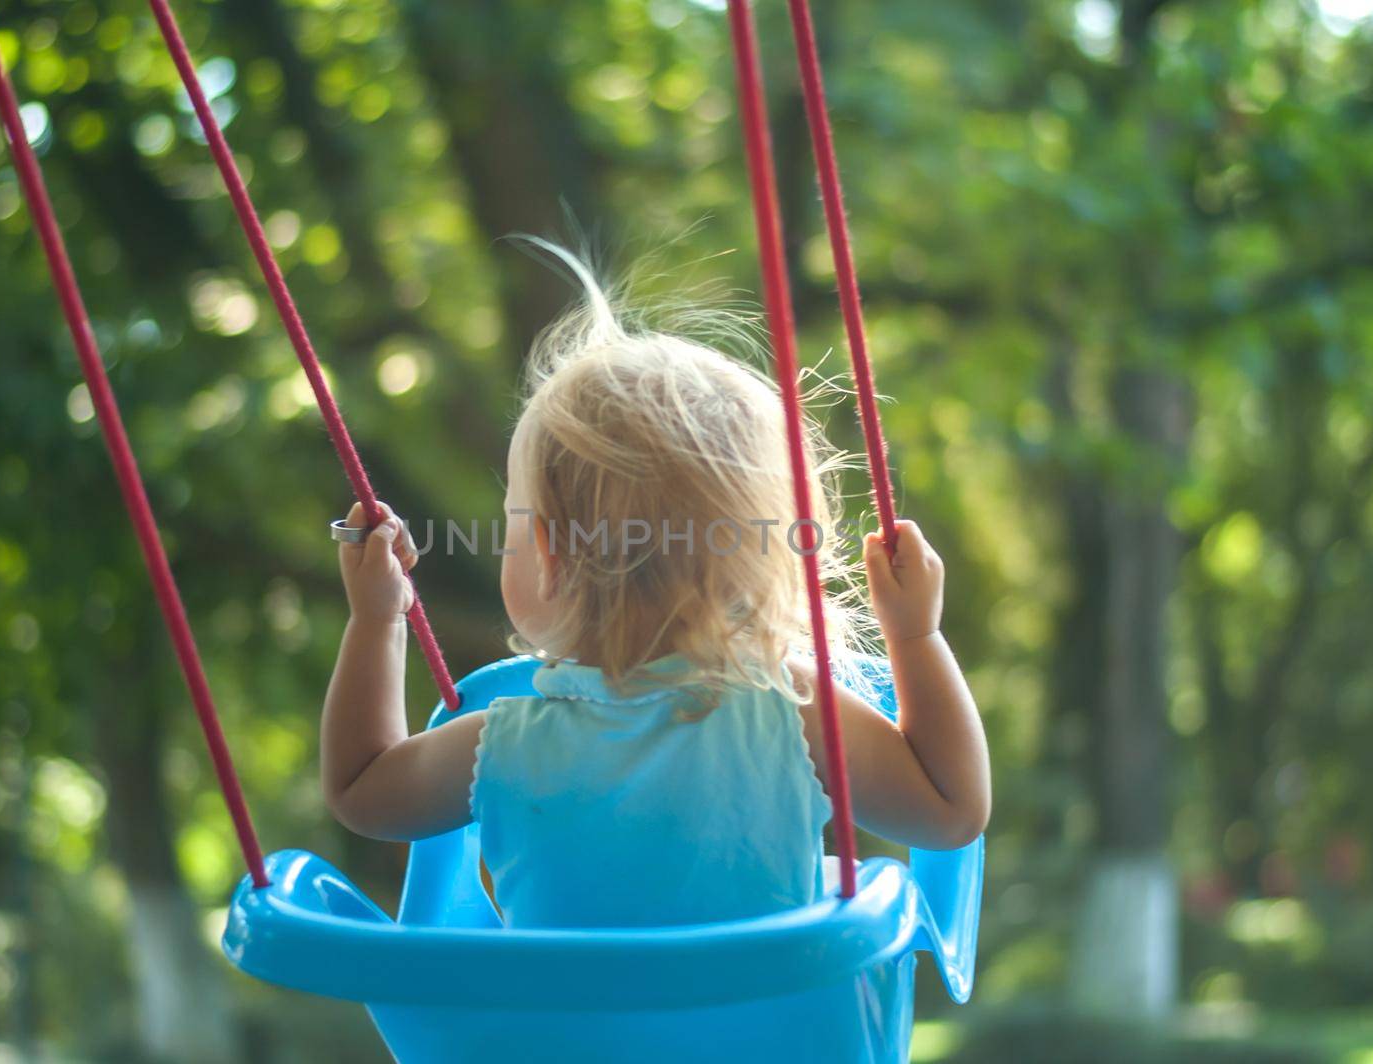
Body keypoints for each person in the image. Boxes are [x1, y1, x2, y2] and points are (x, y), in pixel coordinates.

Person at [320, 247, 989, 929]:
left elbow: (360, 789)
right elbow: (951, 811)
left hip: (561, 1038)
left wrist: (377, 623)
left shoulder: (502, 746)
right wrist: (915, 635)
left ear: (547, 555)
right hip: (774, 1034)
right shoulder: (792, 717)